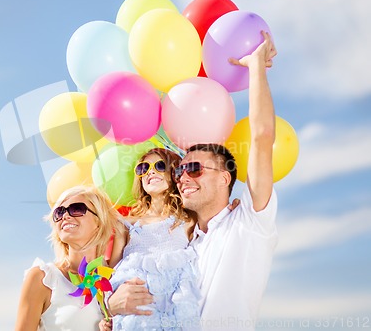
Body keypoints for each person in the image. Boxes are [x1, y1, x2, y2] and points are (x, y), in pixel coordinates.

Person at [106, 31, 278, 331]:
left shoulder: (249, 221)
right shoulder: (186, 243)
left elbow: (262, 136)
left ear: (225, 177)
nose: (183, 176)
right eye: (179, 171)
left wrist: (255, 67)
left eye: (195, 168)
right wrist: (113, 309)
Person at [105, 148, 201, 331]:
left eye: (159, 166)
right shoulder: (126, 224)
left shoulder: (189, 219)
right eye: (143, 168)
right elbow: (110, 273)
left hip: (174, 308)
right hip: (137, 315)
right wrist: (108, 310)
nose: (150, 172)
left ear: (174, 172)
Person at [15, 185, 125, 331]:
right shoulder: (43, 278)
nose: (65, 216)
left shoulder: (115, 278)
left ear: (99, 221)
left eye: (77, 209)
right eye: (59, 213)